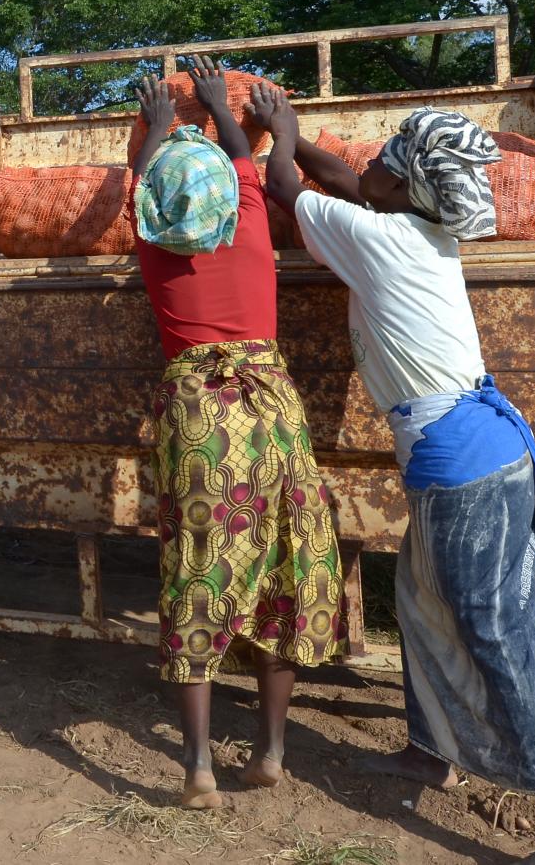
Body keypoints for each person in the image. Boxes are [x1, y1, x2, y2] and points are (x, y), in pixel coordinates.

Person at [250, 88, 535, 865]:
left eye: (386, 154)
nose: (370, 161)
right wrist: (297, 131)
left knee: (498, 634)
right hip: (473, 451)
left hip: (464, 467)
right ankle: (431, 750)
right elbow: (347, 181)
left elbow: (288, 187)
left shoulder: (382, 239)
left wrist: (279, 137)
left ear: (405, 183)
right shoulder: (416, 225)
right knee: (420, 603)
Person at [130, 56, 344, 809]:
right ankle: (273, 751)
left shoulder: (155, 249)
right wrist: (222, 107)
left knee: (198, 567)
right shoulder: (250, 223)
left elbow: (144, 185)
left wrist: (158, 125)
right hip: (272, 409)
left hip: (200, 417)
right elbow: (245, 164)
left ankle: (196, 769)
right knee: (282, 567)